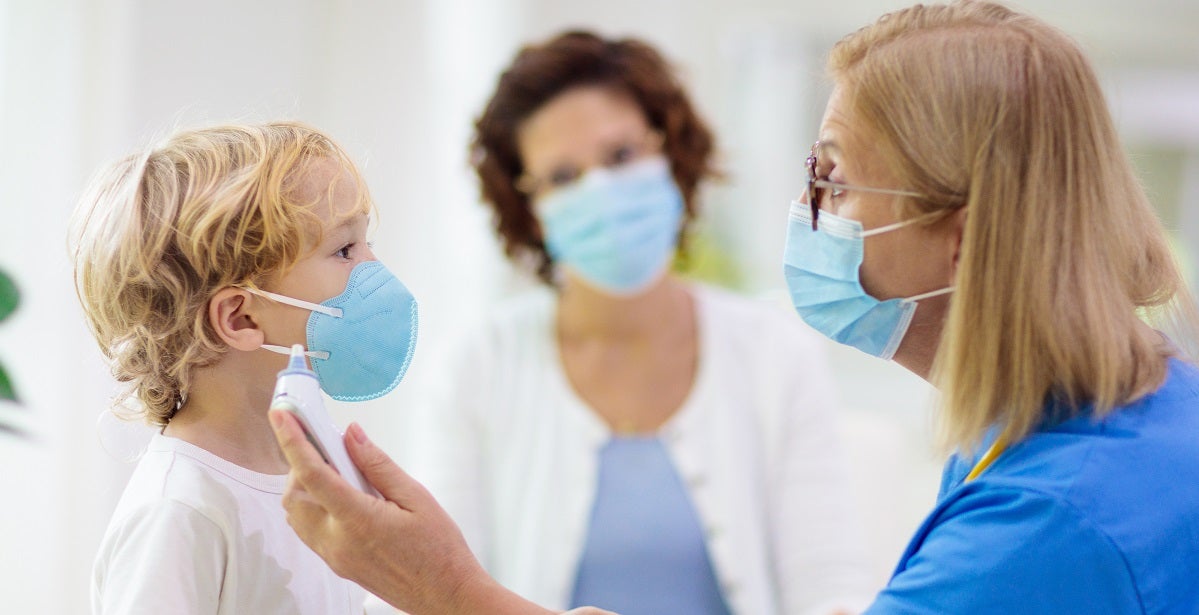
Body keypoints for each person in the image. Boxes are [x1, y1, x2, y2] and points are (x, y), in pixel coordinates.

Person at [268, 1, 1199, 613]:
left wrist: (450, 590)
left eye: (832, 177)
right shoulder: (1085, 420)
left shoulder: (1048, 525)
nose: (809, 212)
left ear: (959, 234)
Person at [405, 30, 872, 615]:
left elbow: (831, 591)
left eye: (621, 156)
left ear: (670, 151)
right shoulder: (478, 364)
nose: (600, 190)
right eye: (563, 177)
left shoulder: (775, 353)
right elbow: (439, 588)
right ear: (528, 208)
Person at [72, 122, 419, 613]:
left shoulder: (318, 468)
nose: (373, 266)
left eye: (366, 242)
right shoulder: (178, 511)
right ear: (240, 316)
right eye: (345, 250)